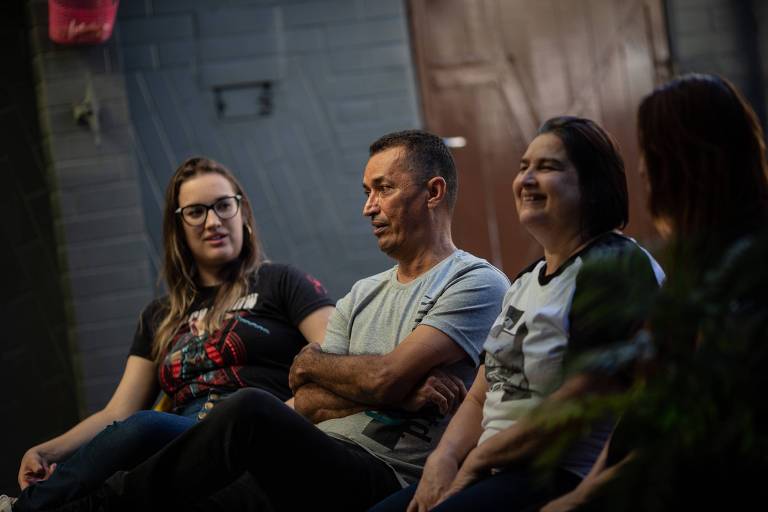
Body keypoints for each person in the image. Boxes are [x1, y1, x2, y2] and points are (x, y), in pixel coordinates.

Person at [37, 130, 510, 512]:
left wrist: (372, 380)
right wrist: (381, 386)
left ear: (433, 192)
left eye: (382, 189)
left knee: (246, 408)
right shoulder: (364, 293)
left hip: (377, 470)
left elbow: (378, 375)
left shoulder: (474, 281)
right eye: (366, 192)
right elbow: (304, 387)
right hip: (302, 456)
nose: (368, 207)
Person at [3, 157, 335, 512]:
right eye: (196, 211)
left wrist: (275, 418)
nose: (213, 221)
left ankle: (22, 509)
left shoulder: (281, 281)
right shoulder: (158, 316)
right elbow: (116, 412)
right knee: (127, 459)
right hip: (182, 442)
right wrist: (44, 451)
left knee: (140, 432)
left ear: (243, 213)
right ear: (178, 226)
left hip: (257, 433)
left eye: (224, 206)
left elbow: (336, 359)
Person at [369, 116, 665, 512]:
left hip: (559, 474)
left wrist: (477, 460)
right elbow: (480, 394)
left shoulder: (614, 265)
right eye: (523, 166)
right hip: (496, 467)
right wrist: (444, 459)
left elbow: (579, 403)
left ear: (592, 184)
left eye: (547, 167)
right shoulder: (527, 279)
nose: (526, 179)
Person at [539, 74, 768, 511]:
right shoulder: (694, 267)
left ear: (684, 162)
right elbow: (643, 412)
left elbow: (692, 436)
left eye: (649, 154)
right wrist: (586, 490)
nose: (642, 170)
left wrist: (587, 498)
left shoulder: (746, 273)